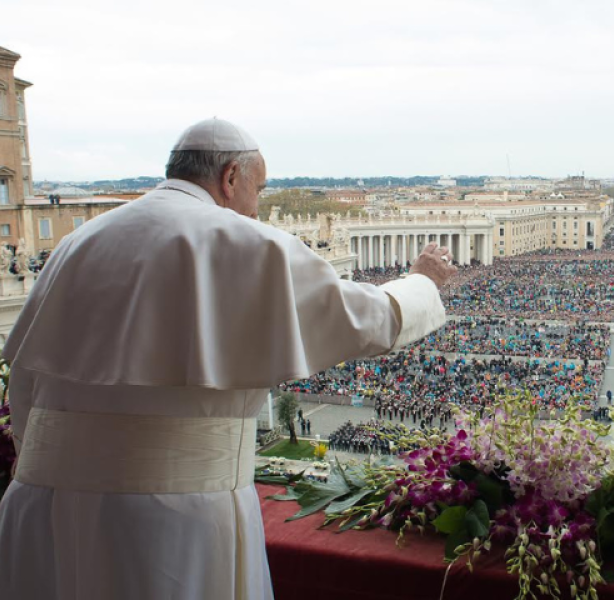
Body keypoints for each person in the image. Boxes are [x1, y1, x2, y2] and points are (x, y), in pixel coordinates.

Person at [0, 118, 457, 600]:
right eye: (258, 189)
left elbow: (26, 385)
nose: (257, 206)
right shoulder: (244, 242)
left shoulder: (77, 242)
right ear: (231, 178)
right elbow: (363, 319)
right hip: (170, 519)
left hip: (40, 508)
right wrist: (422, 282)